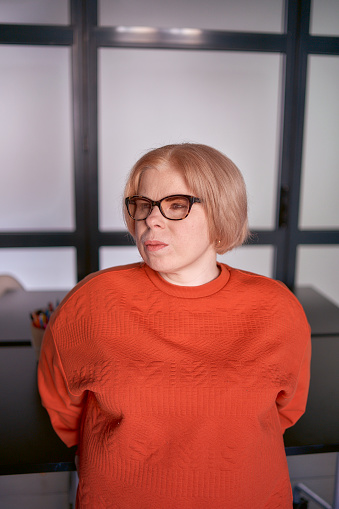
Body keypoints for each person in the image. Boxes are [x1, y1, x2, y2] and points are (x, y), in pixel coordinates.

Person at [38, 143, 311, 508]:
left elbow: (287, 410)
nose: (151, 219)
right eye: (143, 204)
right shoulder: (91, 302)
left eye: (177, 205)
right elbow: (62, 407)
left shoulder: (277, 308)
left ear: (221, 211)